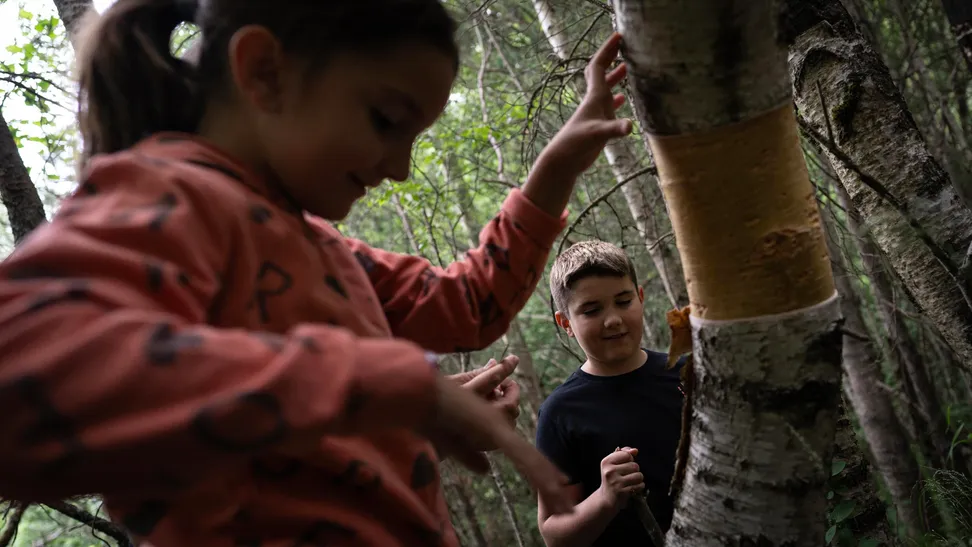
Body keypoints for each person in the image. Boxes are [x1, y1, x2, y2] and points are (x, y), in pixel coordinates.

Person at [0, 0, 635, 544]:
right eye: (386, 121)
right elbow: (22, 370)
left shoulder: (320, 246)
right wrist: (376, 384)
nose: (401, 167)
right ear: (264, 73)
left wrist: (557, 166)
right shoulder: (167, 196)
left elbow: (469, 306)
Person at [535, 240, 686, 546]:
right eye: (591, 310)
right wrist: (605, 499)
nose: (613, 319)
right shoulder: (560, 413)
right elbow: (553, 533)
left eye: (623, 301)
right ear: (566, 323)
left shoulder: (688, 374)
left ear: (640, 298)